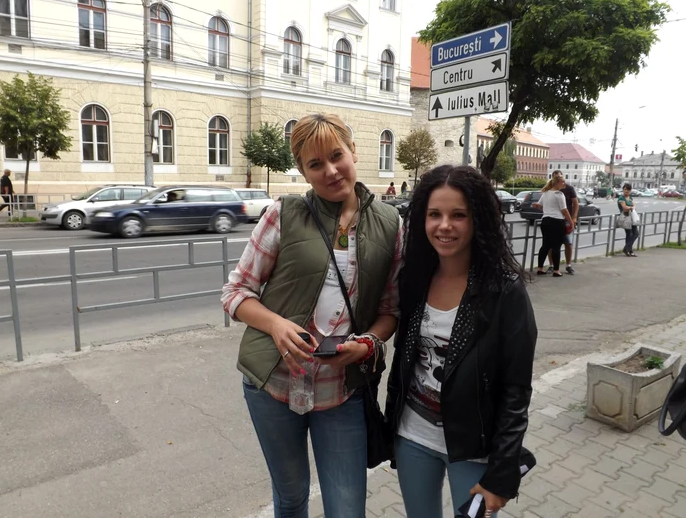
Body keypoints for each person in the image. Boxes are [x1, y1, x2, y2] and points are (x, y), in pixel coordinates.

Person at [221, 113, 403, 518]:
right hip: (273, 382)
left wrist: (369, 343)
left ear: (354, 151)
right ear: (303, 170)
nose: (330, 171)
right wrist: (276, 324)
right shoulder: (283, 214)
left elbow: (391, 310)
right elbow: (236, 292)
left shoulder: (390, 224)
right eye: (315, 164)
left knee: (347, 507)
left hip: (342, 389)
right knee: (291, 498)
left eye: (337, 155)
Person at [385, 165, 537, 518]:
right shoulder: (414, 278)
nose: (444, 226)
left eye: (458, 215)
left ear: (477, 220)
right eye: (434, 214)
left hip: (474, 448)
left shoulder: (503, 290)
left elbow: (516, 389)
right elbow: (405, 361)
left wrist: (502, 474)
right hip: (413, 437)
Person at [534, 172, 574, 277]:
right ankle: (556, 270)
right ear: (556, 183)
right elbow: (564, 210)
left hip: (545, 221)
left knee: (545, 246)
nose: (564, 184)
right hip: (557, 222)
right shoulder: (559, 194)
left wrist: (537, 206)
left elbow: (540, 206)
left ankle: (540, 268)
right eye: (562, 182)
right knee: (556, 246)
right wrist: (571, 222)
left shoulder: (546, 193)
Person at [618, 183, 639, 257]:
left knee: (636, 233)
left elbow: (634, 205)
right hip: (625, 217)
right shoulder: (621, 198)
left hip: (632, 217)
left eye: (628, 190)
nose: (627, 191)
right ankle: (629, 251)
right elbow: (624, 208)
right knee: (629, 234)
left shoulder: (630, 198)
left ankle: (627, 249)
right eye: (625, 189)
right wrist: (631, 207)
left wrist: (631, 207)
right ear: (623, 189)